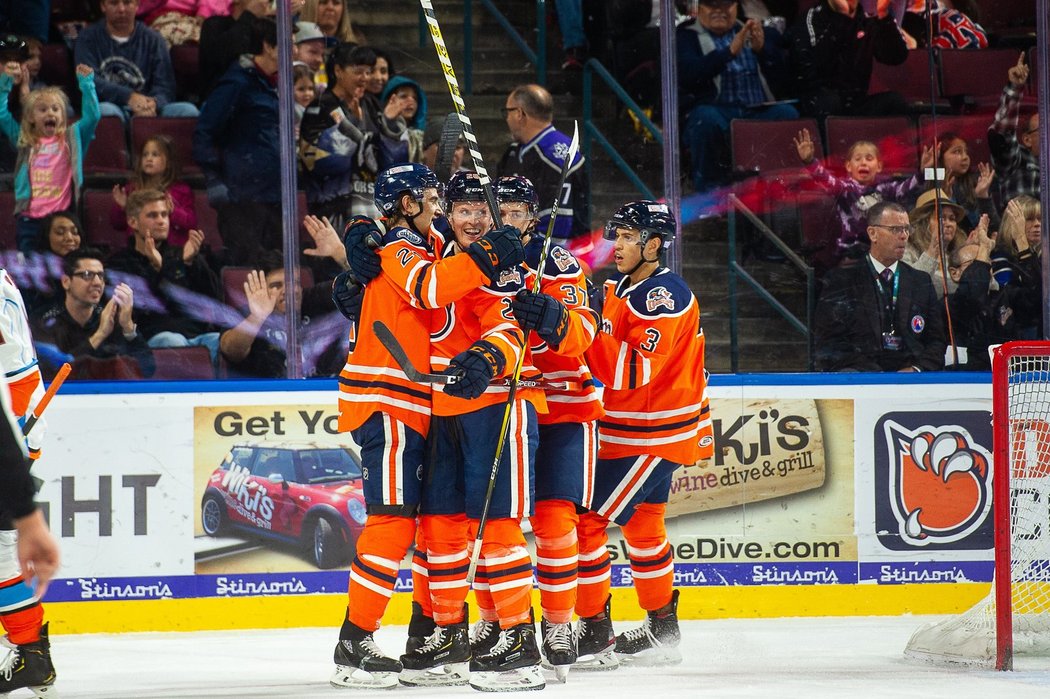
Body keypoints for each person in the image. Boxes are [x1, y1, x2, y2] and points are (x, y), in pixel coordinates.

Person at [329, 164, 524, 689]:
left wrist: (495, 239)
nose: (440, 205)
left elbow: (453, 254)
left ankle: (418, 634)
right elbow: (434, 287)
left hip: (415, 404)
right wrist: (491, 252)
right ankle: (354, 642)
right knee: (391, 523)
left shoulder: (423, 239)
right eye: (432, 198)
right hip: (387, 399)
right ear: (408, 204)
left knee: (417, 528)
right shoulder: (397, 247)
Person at [402, 171, 544, 693]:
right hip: (442, 409)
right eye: (462, 208)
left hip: (497, 405)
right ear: (446, 213)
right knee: (439, 527)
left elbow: (511, 329)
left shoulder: (503, 263)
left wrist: (489, 355)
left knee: (499, 527)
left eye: (481, 210)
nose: (473, 218)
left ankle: (520, 642)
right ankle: (448, 633)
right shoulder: (435, 254)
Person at [572, 201, 712, 669]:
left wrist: (581, 329)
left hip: (652, 434)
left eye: (629, 237)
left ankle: (594, 631)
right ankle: (662, 628)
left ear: (654, 245)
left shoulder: (663, 296)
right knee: (643, 524)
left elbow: (631, 371)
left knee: (588, 521)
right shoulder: (625, 288)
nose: (618, 245)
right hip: (634, 429)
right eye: (619, 235)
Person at [497, 175, 603, 678]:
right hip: (505, 409)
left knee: (557, 523)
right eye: (502, 211)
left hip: (563, 409)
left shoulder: (559, 264)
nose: (508, 220)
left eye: (519, 212)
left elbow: (583, 335)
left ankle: (559, 625)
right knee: (496, 524)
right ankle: (498, 622)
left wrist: (554, 317)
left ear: (535, 219)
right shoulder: (477, 261)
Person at [0, 263, 57, 698]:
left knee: (2, 551)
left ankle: (31, 651)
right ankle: (31, 652)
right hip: (17, 413)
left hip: (11, 418)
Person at [677, 0, 797, 193]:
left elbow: (784, 80)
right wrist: (729, 53)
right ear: (699, 8)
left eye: (726, 5)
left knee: (788, 114)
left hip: (756, 109)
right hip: (717, 109)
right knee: (705, 119)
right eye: (712, 6)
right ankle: (709, 195)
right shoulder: (686, 36)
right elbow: (691, 75)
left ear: (736, 7)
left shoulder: (752, 30)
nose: (719, 11)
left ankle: (783, 191)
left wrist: (763, 51)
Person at [813, 201, 946, 372]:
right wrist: (876, 376)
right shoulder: (842, 280)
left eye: (906, 229)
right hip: (862, 378)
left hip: (911, 380)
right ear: (873, 233)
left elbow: (936, 341)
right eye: (895, 229)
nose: (904, 236)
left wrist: (916, 369)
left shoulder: (920, 281)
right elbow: (830, 343)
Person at [194, 16, 281, 266]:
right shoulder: (237, 83)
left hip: (273, 196)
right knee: (248, 269)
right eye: (289, 44)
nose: (294, 51)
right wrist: (214, 180)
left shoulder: (273, 84)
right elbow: (204, 132)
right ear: (268, 46)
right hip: (241, 198)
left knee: (279, 270)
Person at [299, 44, 408, 229]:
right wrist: (359, 135)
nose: (365, 78)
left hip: (372, 207)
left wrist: (388, 125)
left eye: (368, 72)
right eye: (359, 72)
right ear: (338, 70)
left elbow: (393, 160)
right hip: (331, 209)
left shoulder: (372, 105)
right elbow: (315, 161)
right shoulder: (319, 108)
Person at [105, 188, 221, 361]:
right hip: (152, 338)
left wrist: (191, 264)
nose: (161, 221)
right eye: (152, 215)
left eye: (164, 215)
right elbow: (143, 308)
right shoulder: (120, 263)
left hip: (197, 336)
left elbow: (215, 298)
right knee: (173, 340)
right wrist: (157, 269)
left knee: (223, 342)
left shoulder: (183, 254)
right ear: (133, 222)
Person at [794, 129, 933, 264]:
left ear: (879, 166)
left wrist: (923, 173)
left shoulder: (885, 189)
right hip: (852, 253)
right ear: (848, 166)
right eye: (858, 159)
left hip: (881, 250)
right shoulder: (845, 189)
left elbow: (907, 188)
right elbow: (825, 179)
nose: (863, 163)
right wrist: (810, 162)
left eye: (869, 158)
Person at [0, 65, 98, 254]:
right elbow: (2, 114)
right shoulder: (24, 140)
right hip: (29, 219)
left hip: (61, 217)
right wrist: (5, 82)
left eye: (55, 109)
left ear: (62, 116)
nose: (50, 113)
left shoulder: (71, 138)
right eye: (42, 110)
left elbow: (93, 116)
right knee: (31, 269)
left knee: (62, 267)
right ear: (30, 117)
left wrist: (87, 84)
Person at [32, 249, 156, 379]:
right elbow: (54, 375)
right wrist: (100, 335)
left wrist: (128, 328)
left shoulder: (110, 318)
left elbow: (147, 370)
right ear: (66, 282)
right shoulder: (44, 322)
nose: (97, 282)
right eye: (87, 275)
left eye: (101, 276)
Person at [217, 252, 345, 378]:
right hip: (270, 395)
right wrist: (257, 317)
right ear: (261, 289)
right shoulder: (245, 315)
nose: (288, 291)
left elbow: (354, 288)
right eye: (276, 286)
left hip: (325, 391)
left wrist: (341, 255)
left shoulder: (313, 299)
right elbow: (231, 351)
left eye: (293, 283)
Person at [73, 0, 199, 122]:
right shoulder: (87, 38)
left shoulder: (154, 40)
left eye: (127, 2)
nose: (121, 9)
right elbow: (88, 81)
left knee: (188, 111)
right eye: (114, 3)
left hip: (149, 108)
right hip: (111, 105)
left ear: (137, 5)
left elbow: (165, 86)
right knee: (105, 111)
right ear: (103, 6)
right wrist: (128, 97)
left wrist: (153, 104)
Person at [498, 84, 589, 246]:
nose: (506, 118)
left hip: (555, 259)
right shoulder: (515, 152)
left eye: (508, 112)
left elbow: (559, 225)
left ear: (519, 113)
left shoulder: (553, 157)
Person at [785, 0, 908, 120]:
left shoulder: (864, 19)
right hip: (819, 102)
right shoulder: (812, 19)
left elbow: (895, 56)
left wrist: (883, 16)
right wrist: (842, 16)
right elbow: (814, 69)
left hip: (855, 103)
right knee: (828, 102)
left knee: (894, 102)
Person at [948, 220, 1041, 370]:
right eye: (977, 262)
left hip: (1011, 378)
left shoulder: (1007, 296)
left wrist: (1022, 243)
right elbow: (974, 297)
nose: (986, 266)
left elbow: (1038, 296)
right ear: (955, 273)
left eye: (987, 261)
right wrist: (984, 248)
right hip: (968, 381)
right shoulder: (951, 304)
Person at [111, 134, 197, 248]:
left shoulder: (181, 191)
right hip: (139, 251)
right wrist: (124, 208)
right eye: (145, 155)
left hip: (172, 251)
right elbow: (117, 225)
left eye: (155, 155)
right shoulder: (131, 189)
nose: (149, 159)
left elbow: (191, 223)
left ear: (169, 161)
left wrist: (173, 211)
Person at [904, 189, 981, 299]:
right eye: (941, 218)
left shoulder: (952, 254)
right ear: (923, 222)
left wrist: (973, 257)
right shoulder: (907, 251)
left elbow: (991, 287)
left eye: (952, 219)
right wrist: (932, 252)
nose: (948, 224)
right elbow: (910, 287)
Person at [989, 53, 1040, 206]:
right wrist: (1014, 90)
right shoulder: (1016, 161)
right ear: (1027, 139)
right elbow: (1003, 131)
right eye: (1044, 130)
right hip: (1020, 230)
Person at [198, 0, 273, 100]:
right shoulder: (213, 24)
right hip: (221, 99)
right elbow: (220, 56)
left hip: (260, 100)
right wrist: (248, 15)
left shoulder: (264, 31)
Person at [931, 132, 998, 231]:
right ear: (940, 156)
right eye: (957, 152)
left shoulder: (974, 183)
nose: (965, 157)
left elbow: (994, 229)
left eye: (966, 152)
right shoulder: (931, 183)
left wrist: (983, 197)